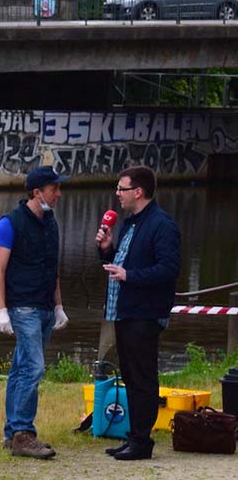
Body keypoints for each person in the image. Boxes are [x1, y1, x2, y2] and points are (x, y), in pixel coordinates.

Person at [95, 166, 181, 461]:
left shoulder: (161, 225)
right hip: (124, 312)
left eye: (122, 188)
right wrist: (108, 250)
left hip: (144, 314)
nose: (117, 194)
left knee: (143, 377)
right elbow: (124, 262)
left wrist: (130, 276)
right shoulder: (132, 223)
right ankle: (134, 436)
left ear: (138, 192)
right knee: (130, 376)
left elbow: (168, 270)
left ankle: (142, 442)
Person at [0, 165, 71, 459]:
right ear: (37, 193)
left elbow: (53, 267)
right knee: (34, 368)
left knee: (21, 367)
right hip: (23, 307)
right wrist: (2, 311)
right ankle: (24, 433)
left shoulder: (51, 222)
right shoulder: (9, 224)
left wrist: (59, 305)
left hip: (46, 306)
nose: (59, 194)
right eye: (54, 189)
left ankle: (13, 433)